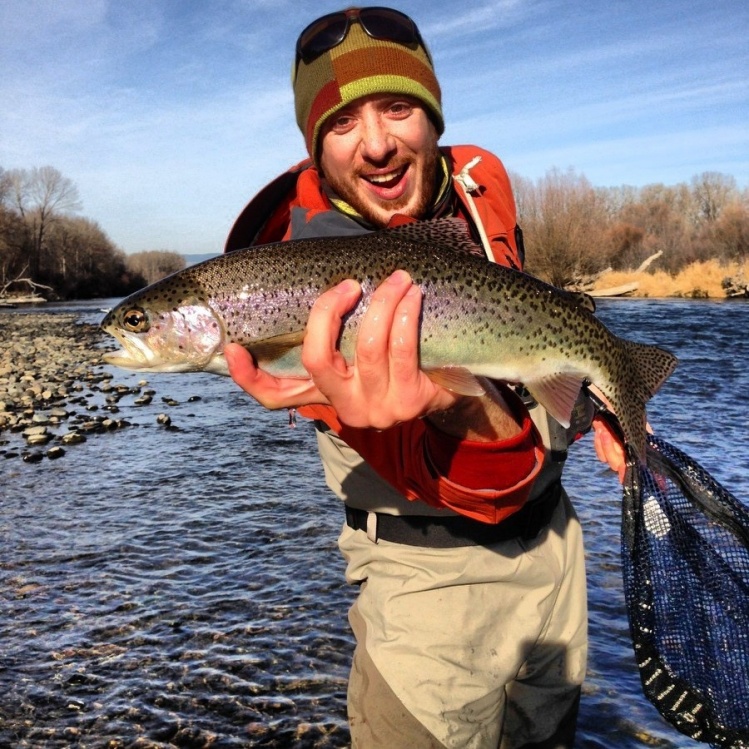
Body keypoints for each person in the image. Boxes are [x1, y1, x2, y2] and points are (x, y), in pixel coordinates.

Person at [223, 7, 625, 747]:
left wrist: (595, 394)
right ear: (314, 149)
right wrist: (456, 411)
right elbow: (485, 486)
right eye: (341, 125)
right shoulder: (293, 293)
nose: (376, 145)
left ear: (434, 119)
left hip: (557, 563)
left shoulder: (481, 180)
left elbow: (520, 317)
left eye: (398, 108)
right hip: (427, 595)